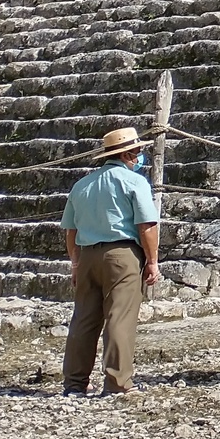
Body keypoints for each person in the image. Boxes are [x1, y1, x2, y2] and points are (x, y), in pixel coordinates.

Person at [59, 126, 161, 396]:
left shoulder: (82, 185)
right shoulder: (133, 182)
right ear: (128, 153)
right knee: (120, 316)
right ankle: (117, 382)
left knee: (83, 319)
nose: (140, 156)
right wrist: (152, 261)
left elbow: (71, 230)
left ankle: (75, 383)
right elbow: (146, 225)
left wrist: (75, 263)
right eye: (138, 150)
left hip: (87, 254)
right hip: (122, 254)